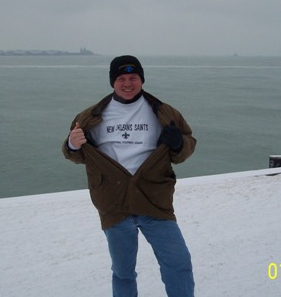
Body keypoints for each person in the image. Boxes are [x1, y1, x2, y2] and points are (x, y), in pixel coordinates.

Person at [62, 55, 197, 297]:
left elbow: (185, 147)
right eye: (121, 78)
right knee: (123, 272)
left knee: (178, 262)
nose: (127, 83)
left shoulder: (164, 112)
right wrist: (72, 145)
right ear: (112, 82)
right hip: (114, 205)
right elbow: (75, 154)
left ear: (141, 80)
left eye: (133, 77)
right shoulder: (89, 116)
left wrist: (178, 144)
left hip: (154, 201)